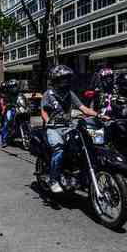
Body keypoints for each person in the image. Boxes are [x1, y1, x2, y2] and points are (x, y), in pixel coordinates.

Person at [41, 65, 98, 193]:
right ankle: (53, 179)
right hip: (54, 128)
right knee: (59, 148)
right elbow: (44, 112)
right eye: (63, 79)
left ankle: (77, 172)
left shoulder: (69, 93)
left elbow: (83, 108)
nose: (66, 81)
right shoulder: (48, 94)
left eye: (67, 78)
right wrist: (48, 121)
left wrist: (99, 115)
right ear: (55, 80)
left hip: (68, 126)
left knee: (83, 145)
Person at [0, 79, 22, 147]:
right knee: (8, 121)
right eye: (12, 86)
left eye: (15, 86)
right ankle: (3, 140)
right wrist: (8, 104)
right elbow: (5, 102)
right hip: (11, 109)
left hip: (19, 108)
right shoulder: (7, 94)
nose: (14, 88)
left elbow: (23, 99)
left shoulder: (19, 94)